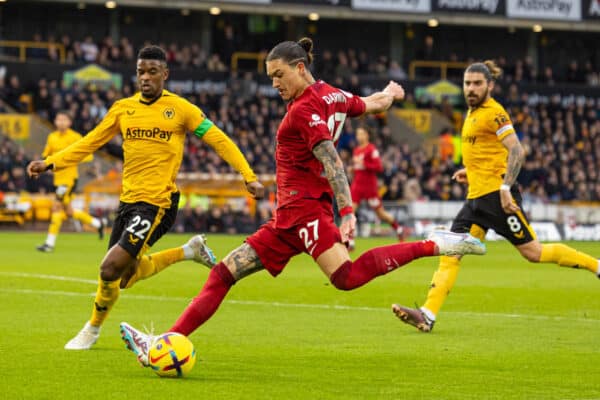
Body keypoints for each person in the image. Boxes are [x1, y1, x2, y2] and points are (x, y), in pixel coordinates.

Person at [118, 38, 485, 365]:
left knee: (346, 277)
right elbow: (371, 104)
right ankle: (164, 343)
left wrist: (347, 212)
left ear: (299, 67)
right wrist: (391, 94)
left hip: (306, 211)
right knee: (223, 273)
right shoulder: (332, 95)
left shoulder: (303, 111)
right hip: (286, 220)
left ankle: (434, 243)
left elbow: (331, 159)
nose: (274, 84)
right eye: (270, 78)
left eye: (279, 75)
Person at [27, 45, 264, 350]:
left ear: (165, 74)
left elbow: (219, 139)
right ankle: (189, 251)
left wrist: (248, 175)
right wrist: (50, 163)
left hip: (158, 203)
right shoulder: (123, 109)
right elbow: (89, 143)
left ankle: (91, 330)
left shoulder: (182, 109)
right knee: (125, 277)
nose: (145, 78)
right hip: (128, 202)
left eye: (153, 71)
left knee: (108, 268)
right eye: (141, 72)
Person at [393, 60, 600, 333]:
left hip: (496, 198)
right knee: (451, 253)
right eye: (467, 83)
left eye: (477, 83)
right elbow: (488, 154)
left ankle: (596, 265)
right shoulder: (471, 113)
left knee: (534, 253)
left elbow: (517, 151)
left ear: (490, 85)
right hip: (475, 200)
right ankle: (427, 314)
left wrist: (504, 189)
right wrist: (470, 171)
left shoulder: (494, 112)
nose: (471, 88)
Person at [36, 111, 106, 252]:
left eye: (64, 119)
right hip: (57, 180)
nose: (61, 122)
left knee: (57, 207)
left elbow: (88, 156)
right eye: (58, 119)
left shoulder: (75, 137)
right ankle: (98, 223)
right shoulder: (52, 137)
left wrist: (70, 160)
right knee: (68, 212)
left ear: (69, 122)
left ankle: (49, 244)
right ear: (55, 121)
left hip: (69, 180)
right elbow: (46, 155)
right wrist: (41, 166)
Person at [348, 125, 405, 248]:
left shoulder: (371, 149)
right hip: (357, 185)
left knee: (380, 214)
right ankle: (350, 240)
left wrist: (363, 163)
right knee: (350, 211)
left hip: (370, 187)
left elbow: (378, 167)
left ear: (367, 135)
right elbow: (359, 168)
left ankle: (398, 228)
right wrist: (353, 168)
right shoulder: (357, 150)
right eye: (358, 134)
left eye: (361, 134)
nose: (359, 136)